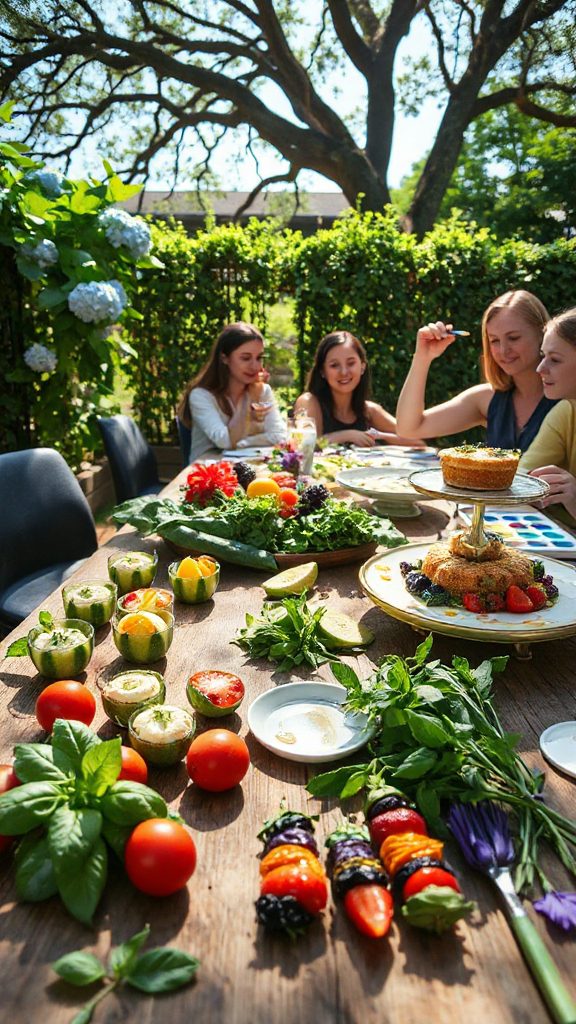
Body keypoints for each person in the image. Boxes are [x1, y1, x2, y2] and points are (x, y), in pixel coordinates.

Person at [395, 290, 557, 452]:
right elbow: (408, 428)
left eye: (513, 338)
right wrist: (422, 358)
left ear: (542, 334)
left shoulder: (568, 397)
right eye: (494, 340)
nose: (503, 350)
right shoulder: (487, 398)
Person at [177, 322, 286, 461]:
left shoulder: (262, 391)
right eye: (245, 358)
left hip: (250, 467)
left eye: (259, 358)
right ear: (224, 358)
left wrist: (243, 442)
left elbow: (279, 436)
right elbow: (224, 441)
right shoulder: (201, 395)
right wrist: (249, 403)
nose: (255, 366)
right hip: (206, 473)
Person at [293, 330, 421, 448]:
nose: (344, 372)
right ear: (322, 371)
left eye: (351, 363)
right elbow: (304, 445)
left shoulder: (370, 410)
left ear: (362, 367)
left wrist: (378, 435)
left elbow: (417, 442)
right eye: (334, 365)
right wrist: (348, 435)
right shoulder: (309, 402)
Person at [520, 308, 576, 526]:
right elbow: (521, 482)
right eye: (543, 356)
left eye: (555, 359)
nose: (540, 369)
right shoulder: (566, 410)